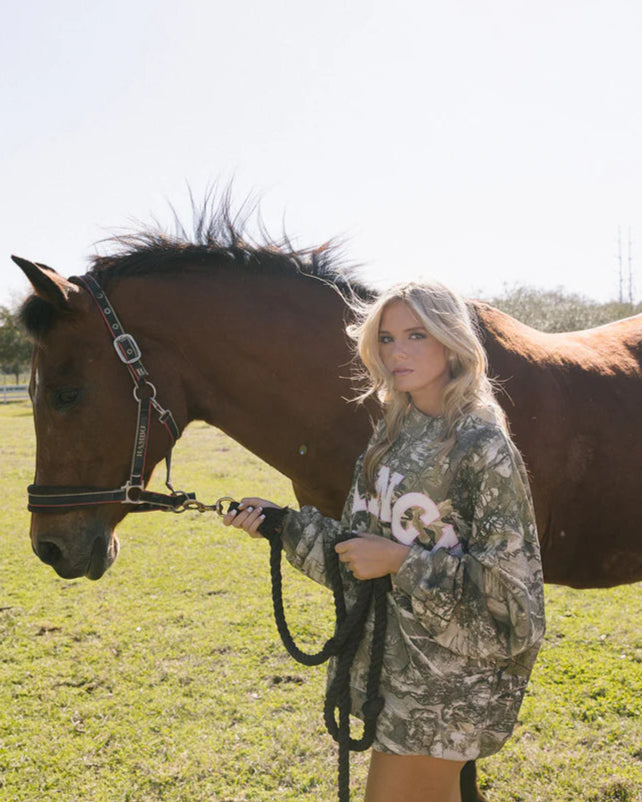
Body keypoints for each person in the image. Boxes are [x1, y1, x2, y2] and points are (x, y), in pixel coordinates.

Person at [223, 281, 545, 802]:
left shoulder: (481, 446)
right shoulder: (389, 437)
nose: (397, 352)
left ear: (451, 341)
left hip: (446, 687)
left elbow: (512, 601)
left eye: (417, 335)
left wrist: (401, 561)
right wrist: (282, 526)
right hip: (391, 676)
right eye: (388, 338)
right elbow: (358, 555)